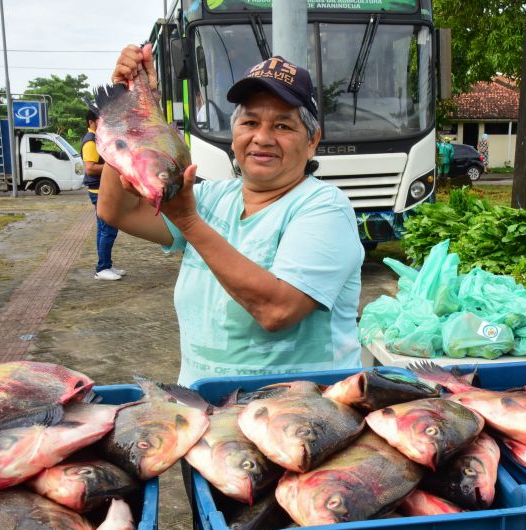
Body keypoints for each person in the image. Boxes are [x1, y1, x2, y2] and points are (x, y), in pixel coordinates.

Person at [99, 46, 364, 386]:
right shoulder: (211, 197)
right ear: (235, 133)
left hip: (300, 418)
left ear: (312, 141)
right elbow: (116, 210)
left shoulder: (324, 208)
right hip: (207, 408)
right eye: (250, 122)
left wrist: (189, 223)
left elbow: (277, 310)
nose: (262, 138)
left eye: (283, 125)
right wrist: (129, 113)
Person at [82, 109, 125, 281]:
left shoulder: (97, 139)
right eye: (100, 121)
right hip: (99, 191)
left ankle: (105, 264)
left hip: (102, 190)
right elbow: (90, 168)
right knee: (108, 229)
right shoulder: (90, 142)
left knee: (103, 229)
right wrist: (114, 166)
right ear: (91, 122)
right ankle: (102, 268)